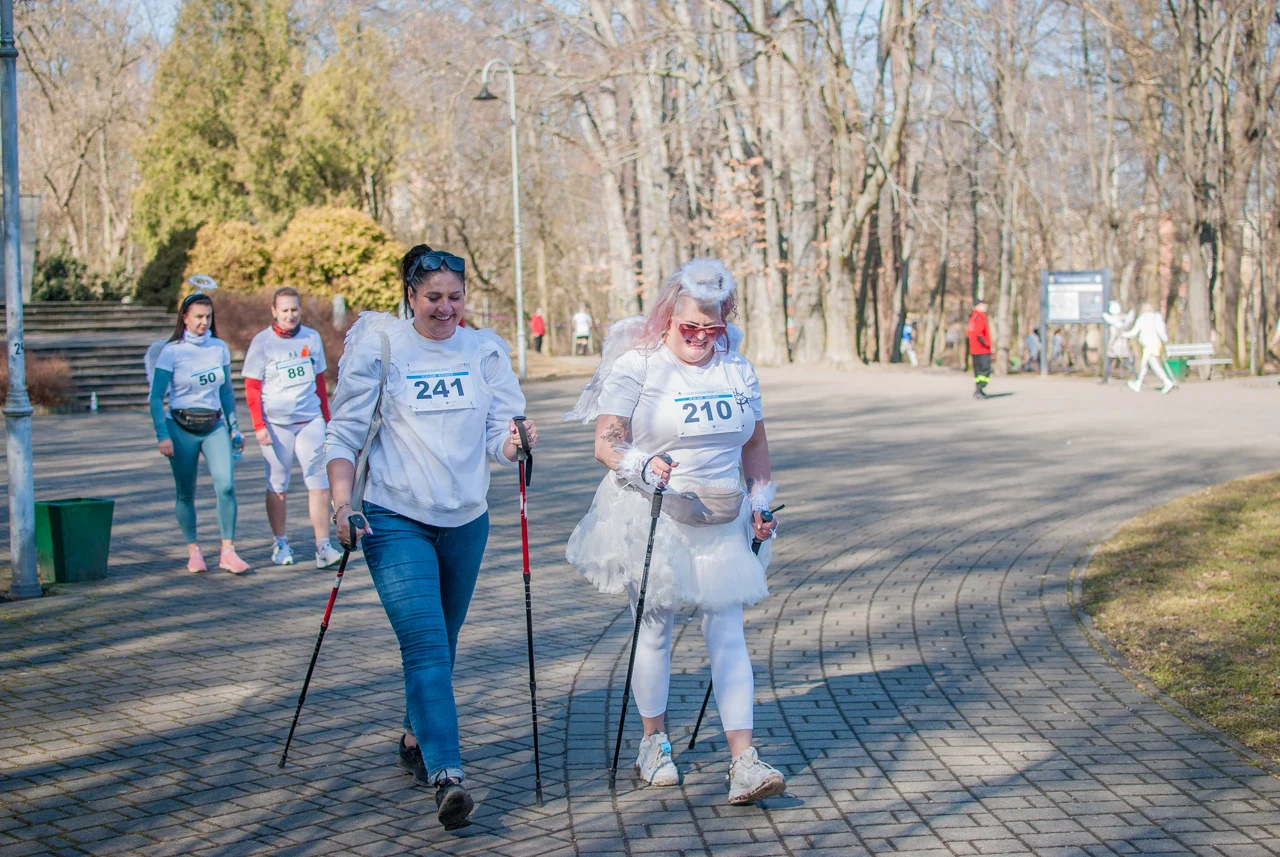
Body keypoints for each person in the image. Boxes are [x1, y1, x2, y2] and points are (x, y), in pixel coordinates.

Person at [321, 244, 534, 831]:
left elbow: (500, 433)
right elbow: (343, 436)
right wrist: (343, 505)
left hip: (466, 519)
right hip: (394, 518)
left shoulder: (484, 350)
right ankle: (448, 775)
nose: (445, 309)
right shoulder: (383, 347)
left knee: (445, 640)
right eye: (433, 297)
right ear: (410, 296)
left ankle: (415, 737)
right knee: (426, 646)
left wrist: (516, 442)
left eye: (455, 298)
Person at [564, 258, 786, 806]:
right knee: (655, 627)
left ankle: (744, 761)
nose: (702, 339)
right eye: (691, 328)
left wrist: (761, 500)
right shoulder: (639, 366)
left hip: (721, 512)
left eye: (712, 329)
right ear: (668, 315)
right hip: (654, 510)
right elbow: (607, 442)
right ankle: (653, 743)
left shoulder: (737, 368)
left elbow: (754, 443)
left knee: (727, 629)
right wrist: (641, 464)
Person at [149, 291, 249, 574]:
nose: (204, 322)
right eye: (198, 317)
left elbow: (226, 390)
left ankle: (227, 551)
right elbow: (156, 397)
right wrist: (162, 435)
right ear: (184, 318)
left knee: (226, 486)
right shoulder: (172, 351)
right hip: (180, 427)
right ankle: (193, 550)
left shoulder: (219, 348)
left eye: (208, 317)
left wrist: (234, 429)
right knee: (185, 492)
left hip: (214, 425)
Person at [241, 287, 342, 569]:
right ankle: (280, 543)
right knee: (278, 484)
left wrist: (327, 417)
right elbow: (252, 388)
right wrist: (259, 425)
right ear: (274, 311)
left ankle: (323, 545)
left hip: (310, 420)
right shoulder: (263, 342)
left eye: (294, 309)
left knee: (319, 484)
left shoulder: (312, 337)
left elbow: (319, 382)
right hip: (276, 424)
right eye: (284, 310)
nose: (290, 315)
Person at [1123, 302, 1176, 394]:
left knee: (1150, 365)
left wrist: (1124, 334)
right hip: (1156, 344)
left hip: (1148, 345)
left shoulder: (1142, 318)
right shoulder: (1157, 317)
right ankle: (1139, 384)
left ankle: (1166, 382)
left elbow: (1134, 332)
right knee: (1147, 364)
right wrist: (1165, 339)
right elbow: (1161, 330)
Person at [1101, 300, 1136, 384]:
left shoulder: (1114, 322)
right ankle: (1136, 376)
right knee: (1125, 362)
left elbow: (1114, 335)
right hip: (1123, 344)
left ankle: (1105, 379)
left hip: (1115, 345)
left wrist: (1110, 344)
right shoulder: (1124, 318)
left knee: (1109, 361)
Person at [967, 300, 993, 399]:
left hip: (975, 349)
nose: (985, 306)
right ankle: (980, 388)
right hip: (982, 349)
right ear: (976, 307)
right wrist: (986, 344)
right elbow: (979, 334)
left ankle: (979, 389)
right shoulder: (979, 318)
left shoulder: (973, 318)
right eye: (983, 305)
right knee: (985, 369)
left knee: (978, 371)